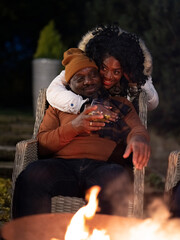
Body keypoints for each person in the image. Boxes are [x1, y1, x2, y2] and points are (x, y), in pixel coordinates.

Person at [12, 48, 150, 219]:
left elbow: (137, 129)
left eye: (93, 75)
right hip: (61, 166)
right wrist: (75, 127)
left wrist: (138, 138)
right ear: (69, 84)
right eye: (80, 78)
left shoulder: (119, 104)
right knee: (33, 175)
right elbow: (43, 145)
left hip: (102, 167)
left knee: (116, 178)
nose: (88, 81)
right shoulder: (59, 106)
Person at [46, 24, 159, 114]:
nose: (108, 76)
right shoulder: (84, 67)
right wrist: (83, 106)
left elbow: (152, 103)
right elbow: (53, 91)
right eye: (104, 68)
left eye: (116, 71)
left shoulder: (133, 73)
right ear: (96, 59)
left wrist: (136, 81)